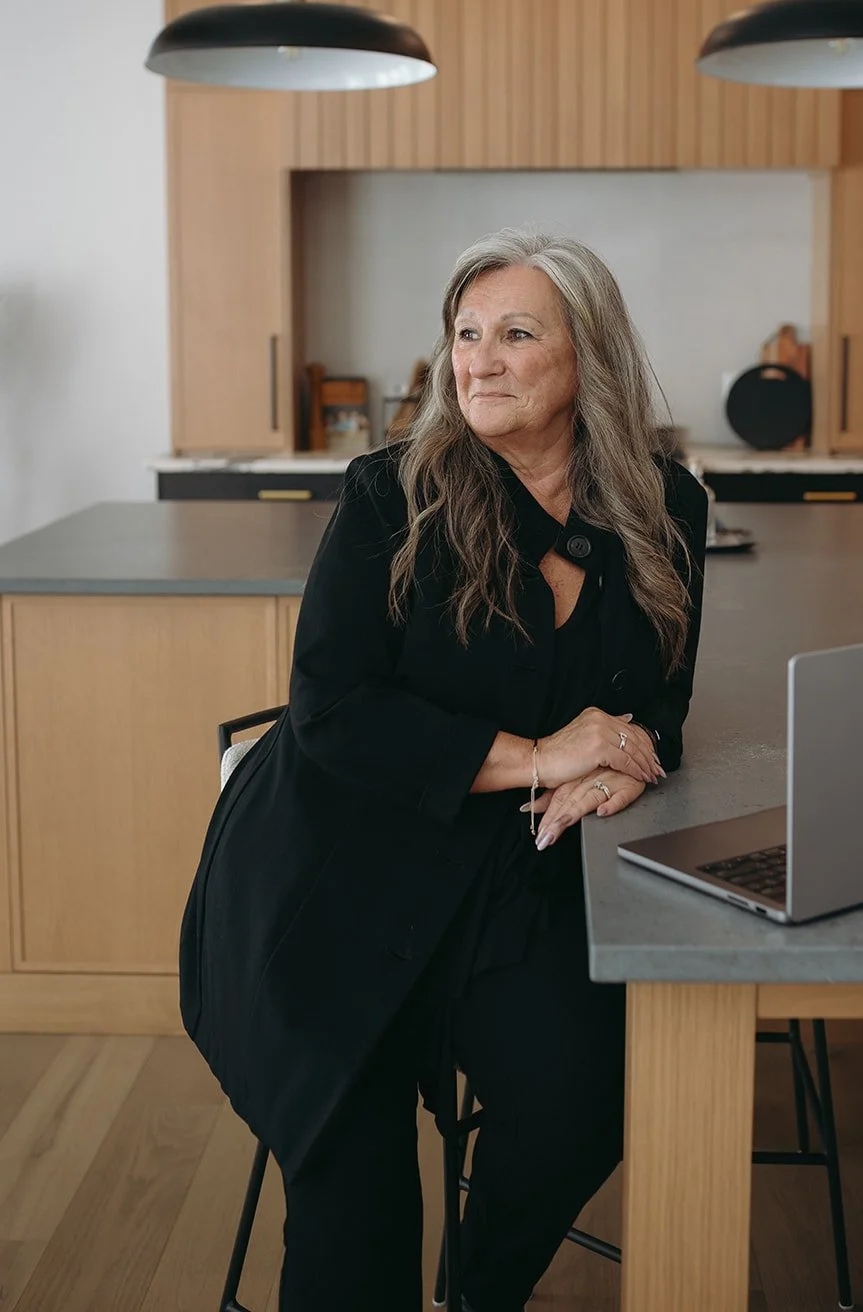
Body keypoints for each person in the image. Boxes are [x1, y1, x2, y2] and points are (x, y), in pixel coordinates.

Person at [179, 227, 709, 1311]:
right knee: (358, 1215)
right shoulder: (391, 494)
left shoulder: (667, 506)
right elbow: (331, 711)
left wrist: (626, 762)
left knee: (584, 1101)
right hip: (327, 877)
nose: (479, 360)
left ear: (588, 357)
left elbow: (659, 693)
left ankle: (476, 1296)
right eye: (466, 334)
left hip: (502, 883)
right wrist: (543, 753)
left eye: (516, 333)